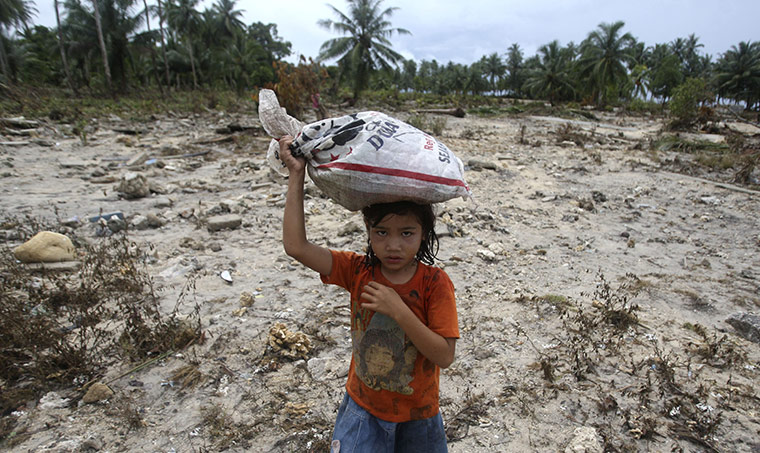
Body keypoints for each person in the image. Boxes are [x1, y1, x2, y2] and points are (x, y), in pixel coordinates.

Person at [279, 136, 460, 453]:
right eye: (381, 233)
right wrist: (296, 175)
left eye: (407, 233)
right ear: (367, 229)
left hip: (418, 416)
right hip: (363, 409)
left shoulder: (435, 283)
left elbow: (444, 356)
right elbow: (296, 247)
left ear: (424, 234)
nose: (393, 245)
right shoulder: (357, 270)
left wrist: (399, 310)